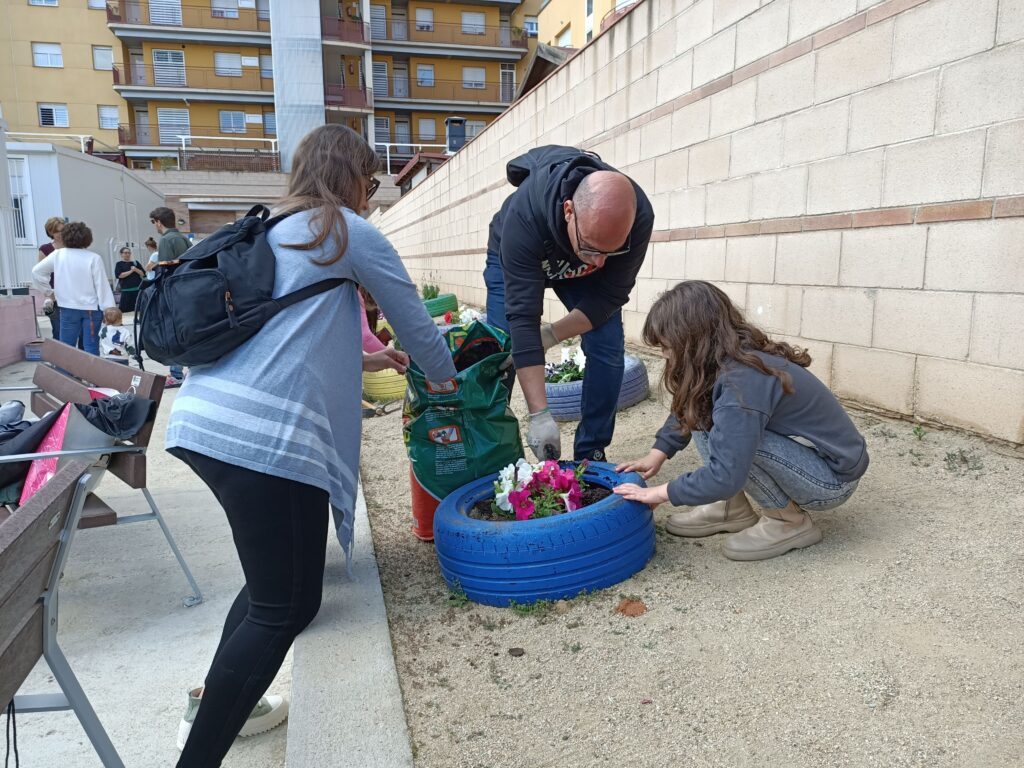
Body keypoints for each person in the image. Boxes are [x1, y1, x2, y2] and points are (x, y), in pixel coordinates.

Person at [164, 124, 456, 767]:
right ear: (351, 176)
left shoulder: (271, 230)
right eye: (372, 181)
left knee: (269, 588)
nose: (373, 195)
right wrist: (449, 379)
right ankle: (200, 754)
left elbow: (297, 328)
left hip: (204, 422)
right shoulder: (346, 231)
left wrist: (379, 355)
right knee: (287, 605)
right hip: (264, 438)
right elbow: (414, 316)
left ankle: (220, 704)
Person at [613, 281, 869, 561]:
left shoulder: (743, 382)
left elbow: (727, 472)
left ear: (692, 339)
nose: (664, 354)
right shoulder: (726, 359)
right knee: (704, 408)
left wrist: (661, 493)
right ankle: (730, 507)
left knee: (740, 443)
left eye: (667, 346)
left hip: (831, 480)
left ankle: (788, 522)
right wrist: (657, 453)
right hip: (808, 458)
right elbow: (689, 407)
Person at [485, 145, 654, 463]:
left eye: (611, 252)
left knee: (608, 344)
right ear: (568, 211)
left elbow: (609, 297)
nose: (601, 263)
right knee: (502, 345)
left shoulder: (638, 215)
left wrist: (551, 334)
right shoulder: (526, 217)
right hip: (520, 251)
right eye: (593, 249)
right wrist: (540, 414)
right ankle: (495, 452)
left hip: (573, 260)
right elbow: (523, 316)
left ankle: (591, 451)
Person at [31, 221, 117, 356]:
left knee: (66, 347)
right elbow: (102, 286)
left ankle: (66, 376)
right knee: (91, 348)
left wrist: (49, 292)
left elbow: (37, 272)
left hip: (67, 307)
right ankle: (91, 376)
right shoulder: (94, 258)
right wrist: (109, 309)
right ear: (87, 238)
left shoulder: (58, 254)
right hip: (91, 309)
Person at [150, 207, 190, 387]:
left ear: (159, 221)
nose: (155, 227)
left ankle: (176, 373)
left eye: (154, 222)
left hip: (172, 293)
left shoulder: (166, 240)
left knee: (172, 334)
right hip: (185, 291)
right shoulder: (183, 238)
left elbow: (165, 270)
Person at [36, 216, 66, 339]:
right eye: (56, 231)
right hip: (55, 296)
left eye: (62, 230)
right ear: (50, 232)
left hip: (74, 295)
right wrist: (49, 295)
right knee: (58, 330)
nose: (60, 234)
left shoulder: (73, 247)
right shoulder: (45, 249)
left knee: (79, 331)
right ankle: (60, 357)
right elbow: (40, 274)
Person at [114, 246, 145, 313]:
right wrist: (131, 271)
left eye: (129, 253)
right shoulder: (119, 264)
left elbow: (143, 274)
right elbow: (119, 275)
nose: (127, 254)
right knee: (125, 311)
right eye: (125, 253)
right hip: (126, 292)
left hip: (137, 290)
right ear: (121, 254)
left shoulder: (135, 262)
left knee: (140, 310)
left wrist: (135, 269)